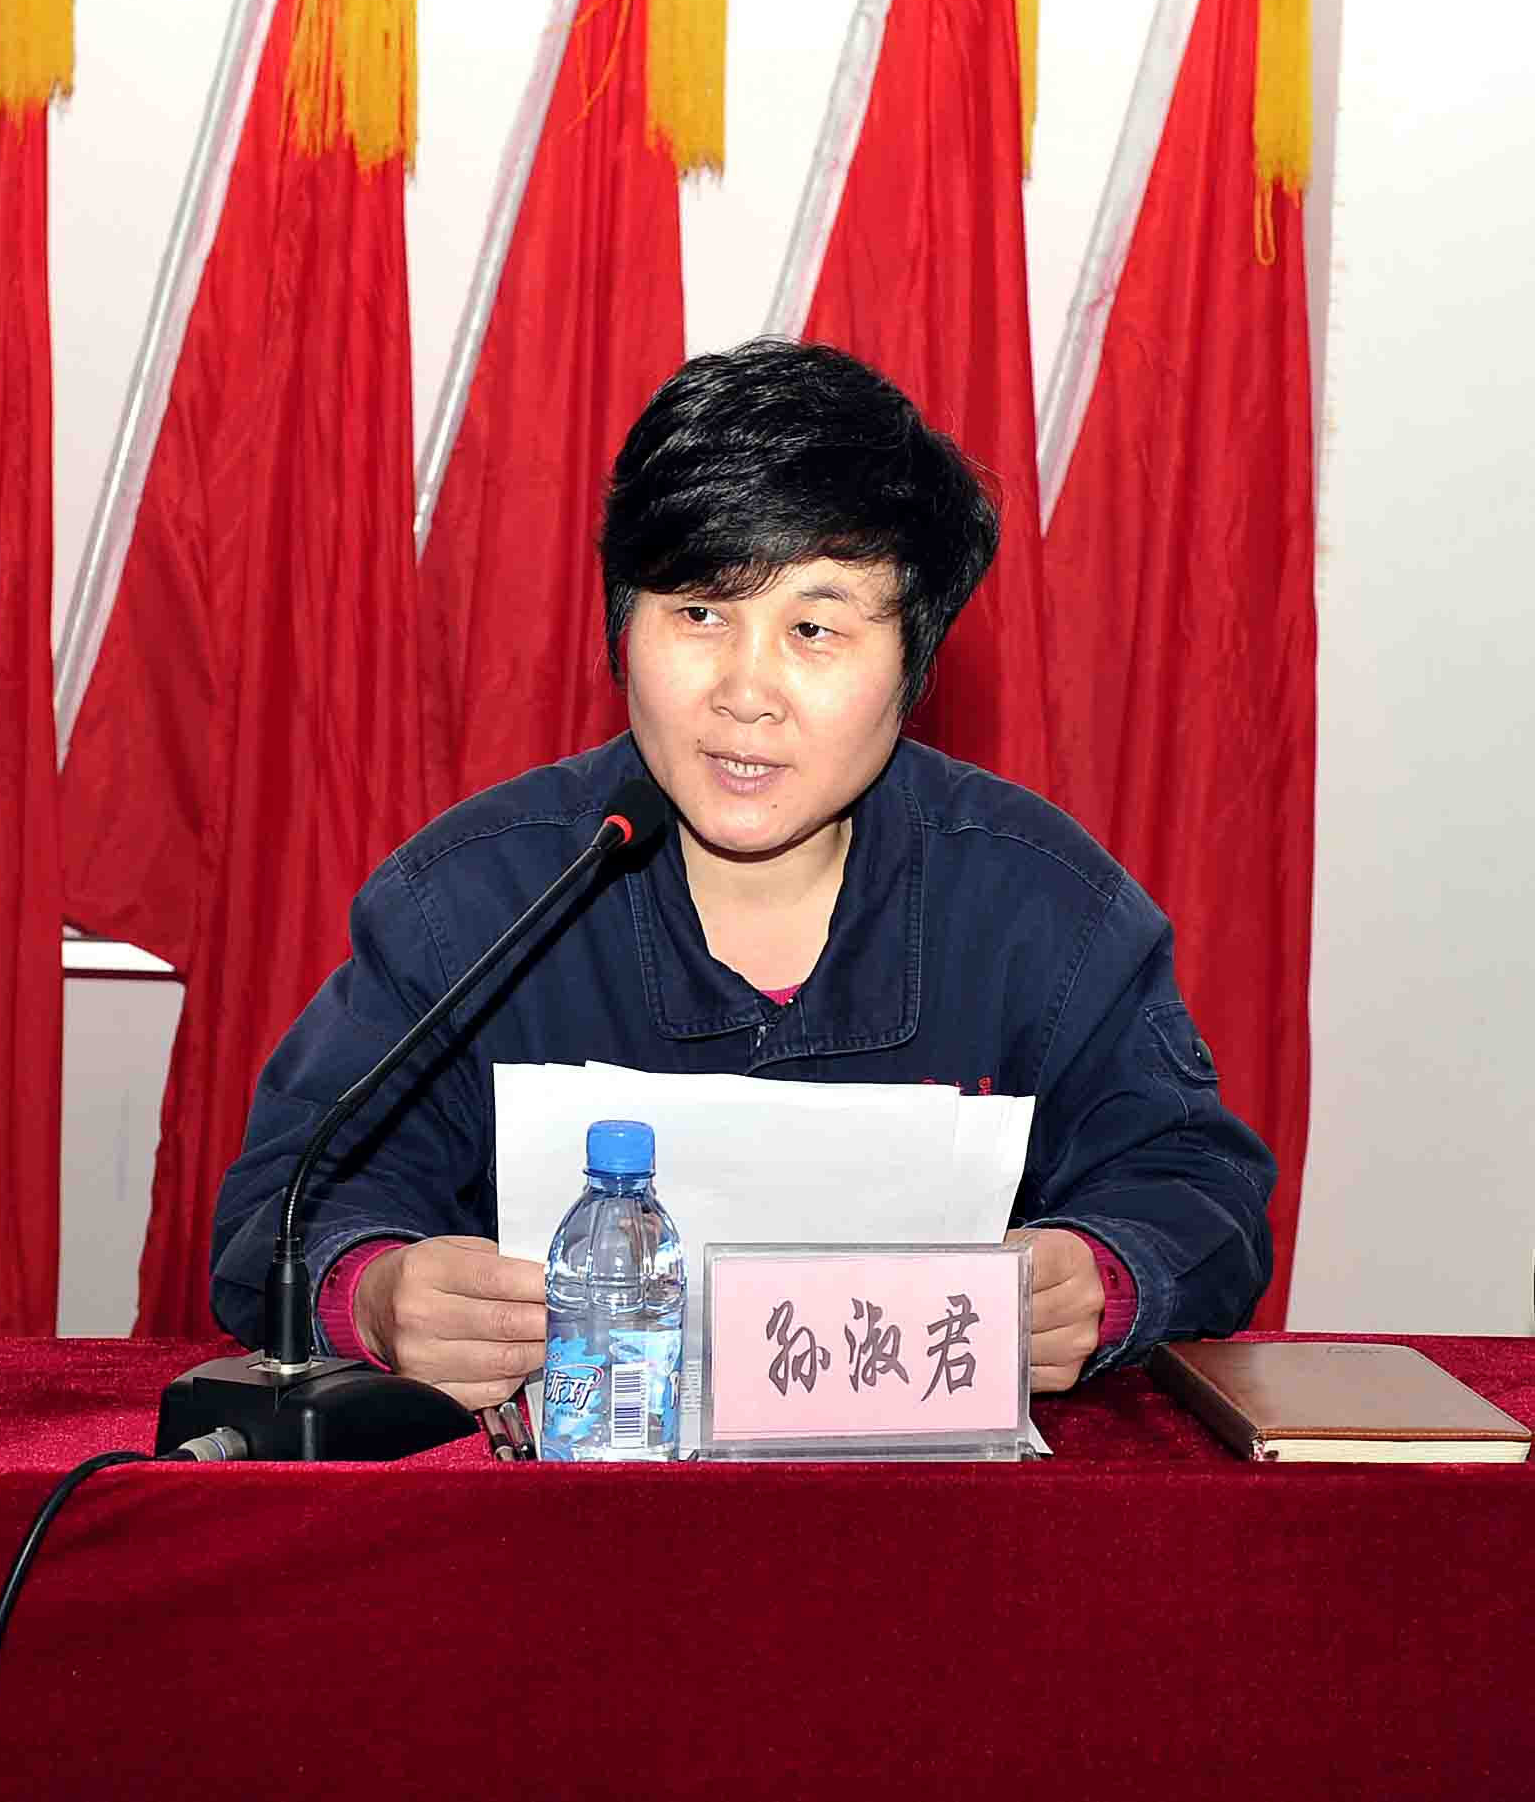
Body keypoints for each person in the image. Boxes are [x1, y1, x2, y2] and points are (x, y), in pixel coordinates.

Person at [211, 339, 1275, 1408]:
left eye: (813, 628)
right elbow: (282, 1211)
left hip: (931, 1497)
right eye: (699, 613)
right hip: (575, 1497)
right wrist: (374, 1292)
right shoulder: (473, 899)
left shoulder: (1040, 903)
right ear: (622, 626)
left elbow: (1199, 1190)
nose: (745, 692)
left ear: (914, 664)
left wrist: (1100, 1277)